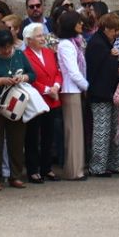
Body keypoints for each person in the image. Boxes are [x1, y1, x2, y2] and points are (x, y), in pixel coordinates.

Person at [0, 26, 34, 189]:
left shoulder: (19, 54)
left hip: (16, 104)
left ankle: (15, 175)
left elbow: (32, 74)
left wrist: (23, 77)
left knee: (17, 141)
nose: (5, 50)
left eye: (8, 47)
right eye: (2, 47)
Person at [86, 13, 119, 176]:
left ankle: (113, 164)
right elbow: (103, 70)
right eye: (115, 30)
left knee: (114, 130)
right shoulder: (97, 44)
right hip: (101, 94)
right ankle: (97, 167)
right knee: (102, 132)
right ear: (106, 28)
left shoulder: (106, 43)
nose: (118, 33)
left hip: (110, 92)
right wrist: (118, 62)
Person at [22, 22, 62, 183]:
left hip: (52, 99)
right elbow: (29, 78)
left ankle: (47, 168)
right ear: (29, 39)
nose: (42, 38)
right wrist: (47, 89)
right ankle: (33, 170)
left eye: (42, 35)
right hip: (36, 101)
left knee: (48, 136)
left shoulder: (48, 52)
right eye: (38, 36)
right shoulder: (24, 55)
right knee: (32, 136)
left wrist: (56, 86)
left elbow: (57, 72)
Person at [53, 10, 89, 179]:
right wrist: (86, 86)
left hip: (75, 89)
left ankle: (76, 168)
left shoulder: (74, 42)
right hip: (70, 89)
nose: (81, 24)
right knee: (73, 131)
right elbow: (73, 72)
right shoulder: (66, 45)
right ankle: (74, 170)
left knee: (76, 131)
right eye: (78, 22)